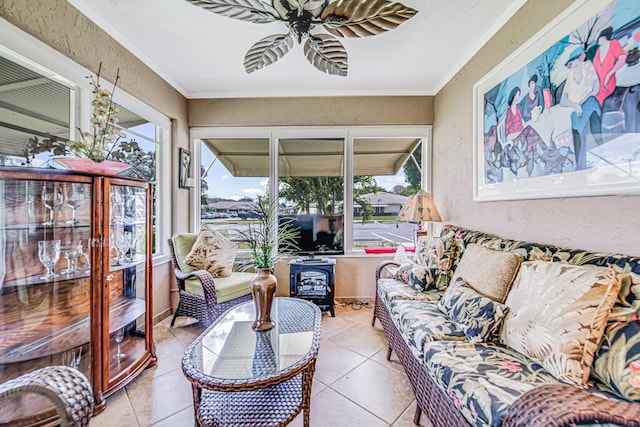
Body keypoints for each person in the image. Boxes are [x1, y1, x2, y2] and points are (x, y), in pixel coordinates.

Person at [560, 46, 601, 170]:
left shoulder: (588, 66)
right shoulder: (570, 77)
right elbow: (563, 101)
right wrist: (575, 105)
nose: (573, 64)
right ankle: (580, 164)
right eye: (571, 63)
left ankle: (600, 147)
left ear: (581, 58)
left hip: (588, 103)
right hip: (575, 109)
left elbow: (596, 88)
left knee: (591, 104)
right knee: (575, 123)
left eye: (575, 60)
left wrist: (583, 101)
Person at [504, 87, 547, 176]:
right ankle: (542, 152)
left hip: (522, 135)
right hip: (515, 139)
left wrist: (524, 128)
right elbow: (507, 135)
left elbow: (522, 122)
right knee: (529, 130)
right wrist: (520, 132)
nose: (517, 97)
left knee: (530, 132)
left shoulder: (517, 108)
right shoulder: (509, 111)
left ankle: (538, 156)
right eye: (516, 95)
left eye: (519, 95)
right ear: (512, 96)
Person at [593, 26, 627, 106]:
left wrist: (609, 74)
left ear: (604, 38)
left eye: (599, 38)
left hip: (608, 83)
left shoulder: (613, 44)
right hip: (598, 86)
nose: (598, 40)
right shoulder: (598, 51)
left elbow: (623, 58)